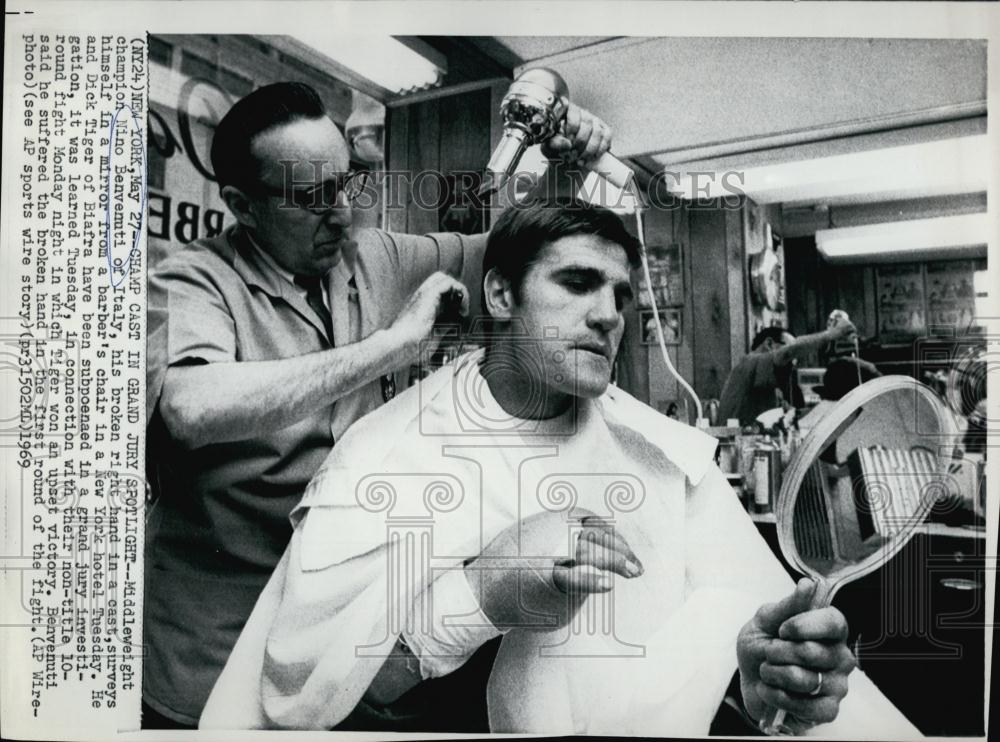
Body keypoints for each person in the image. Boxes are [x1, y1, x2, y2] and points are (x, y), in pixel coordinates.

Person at [201, 201, 918, 737]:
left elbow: (733, 639)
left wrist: (762, 684)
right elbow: (313, 698)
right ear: (501, 295)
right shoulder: (390, 455)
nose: (609, 313)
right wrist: (481, 597)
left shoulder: (664, 457)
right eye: (577, 283)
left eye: (622, 295)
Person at [143, 81, 614, 728]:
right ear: (241, 207)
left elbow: (521, 262)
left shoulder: (378, 257)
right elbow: (189, 408)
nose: (340, 213)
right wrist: (391, 348)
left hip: (344, 640)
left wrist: (566, 172)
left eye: (348, 185)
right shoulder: (192, 280)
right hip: (211, 652)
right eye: (312, 198)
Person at [717, 321, 857, 426]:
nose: (793, 361)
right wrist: (831, 334)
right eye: (789, 348)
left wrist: (833, 411)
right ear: (770, 343)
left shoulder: (768, 384)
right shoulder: (750, 362)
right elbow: (787, 353)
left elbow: (792, 415)